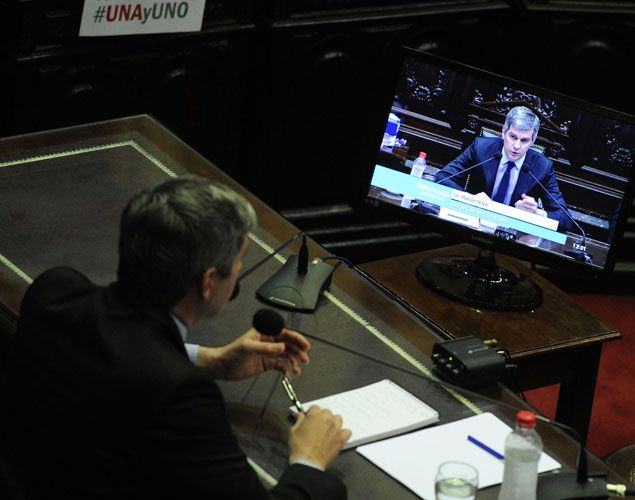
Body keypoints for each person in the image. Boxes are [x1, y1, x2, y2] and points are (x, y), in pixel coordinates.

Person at [0, 175, 351, 499]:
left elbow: (109, 349)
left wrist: (209, 360)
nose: (241, 271)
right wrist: (309, 459)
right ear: (209, 282)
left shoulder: (55, 291)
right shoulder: (181, 397)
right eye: (241, 259)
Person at [435, 106, 573, 232]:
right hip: (472, 225)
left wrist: (536, 213)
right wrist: (472, 200)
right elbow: (441, 178)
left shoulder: (543, 167)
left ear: (533, 141)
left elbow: (566, 219)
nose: (517, 146)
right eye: (513, 137)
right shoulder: (481, 148)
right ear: (503, 132)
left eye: (524, 140)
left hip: (512, 234)